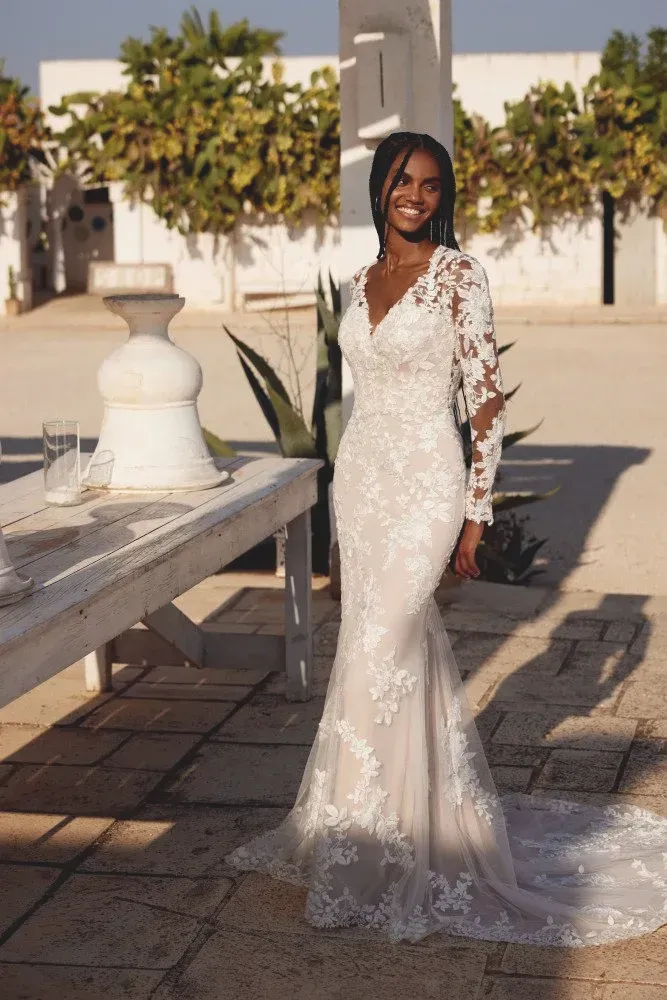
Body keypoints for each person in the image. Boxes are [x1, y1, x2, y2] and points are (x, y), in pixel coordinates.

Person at [226, 132, 667, 945]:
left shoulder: (461, 276)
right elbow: (363, 395)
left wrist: (474, 513)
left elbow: (485, 402)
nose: (416, 197)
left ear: (444, 195)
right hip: (359, 481)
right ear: (380, 187)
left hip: (426, 482)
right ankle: (378, 828)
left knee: (385, 648)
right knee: (367, 647)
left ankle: (371, 854)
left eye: (431, 185)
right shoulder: (360, 281)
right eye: (403, 180)